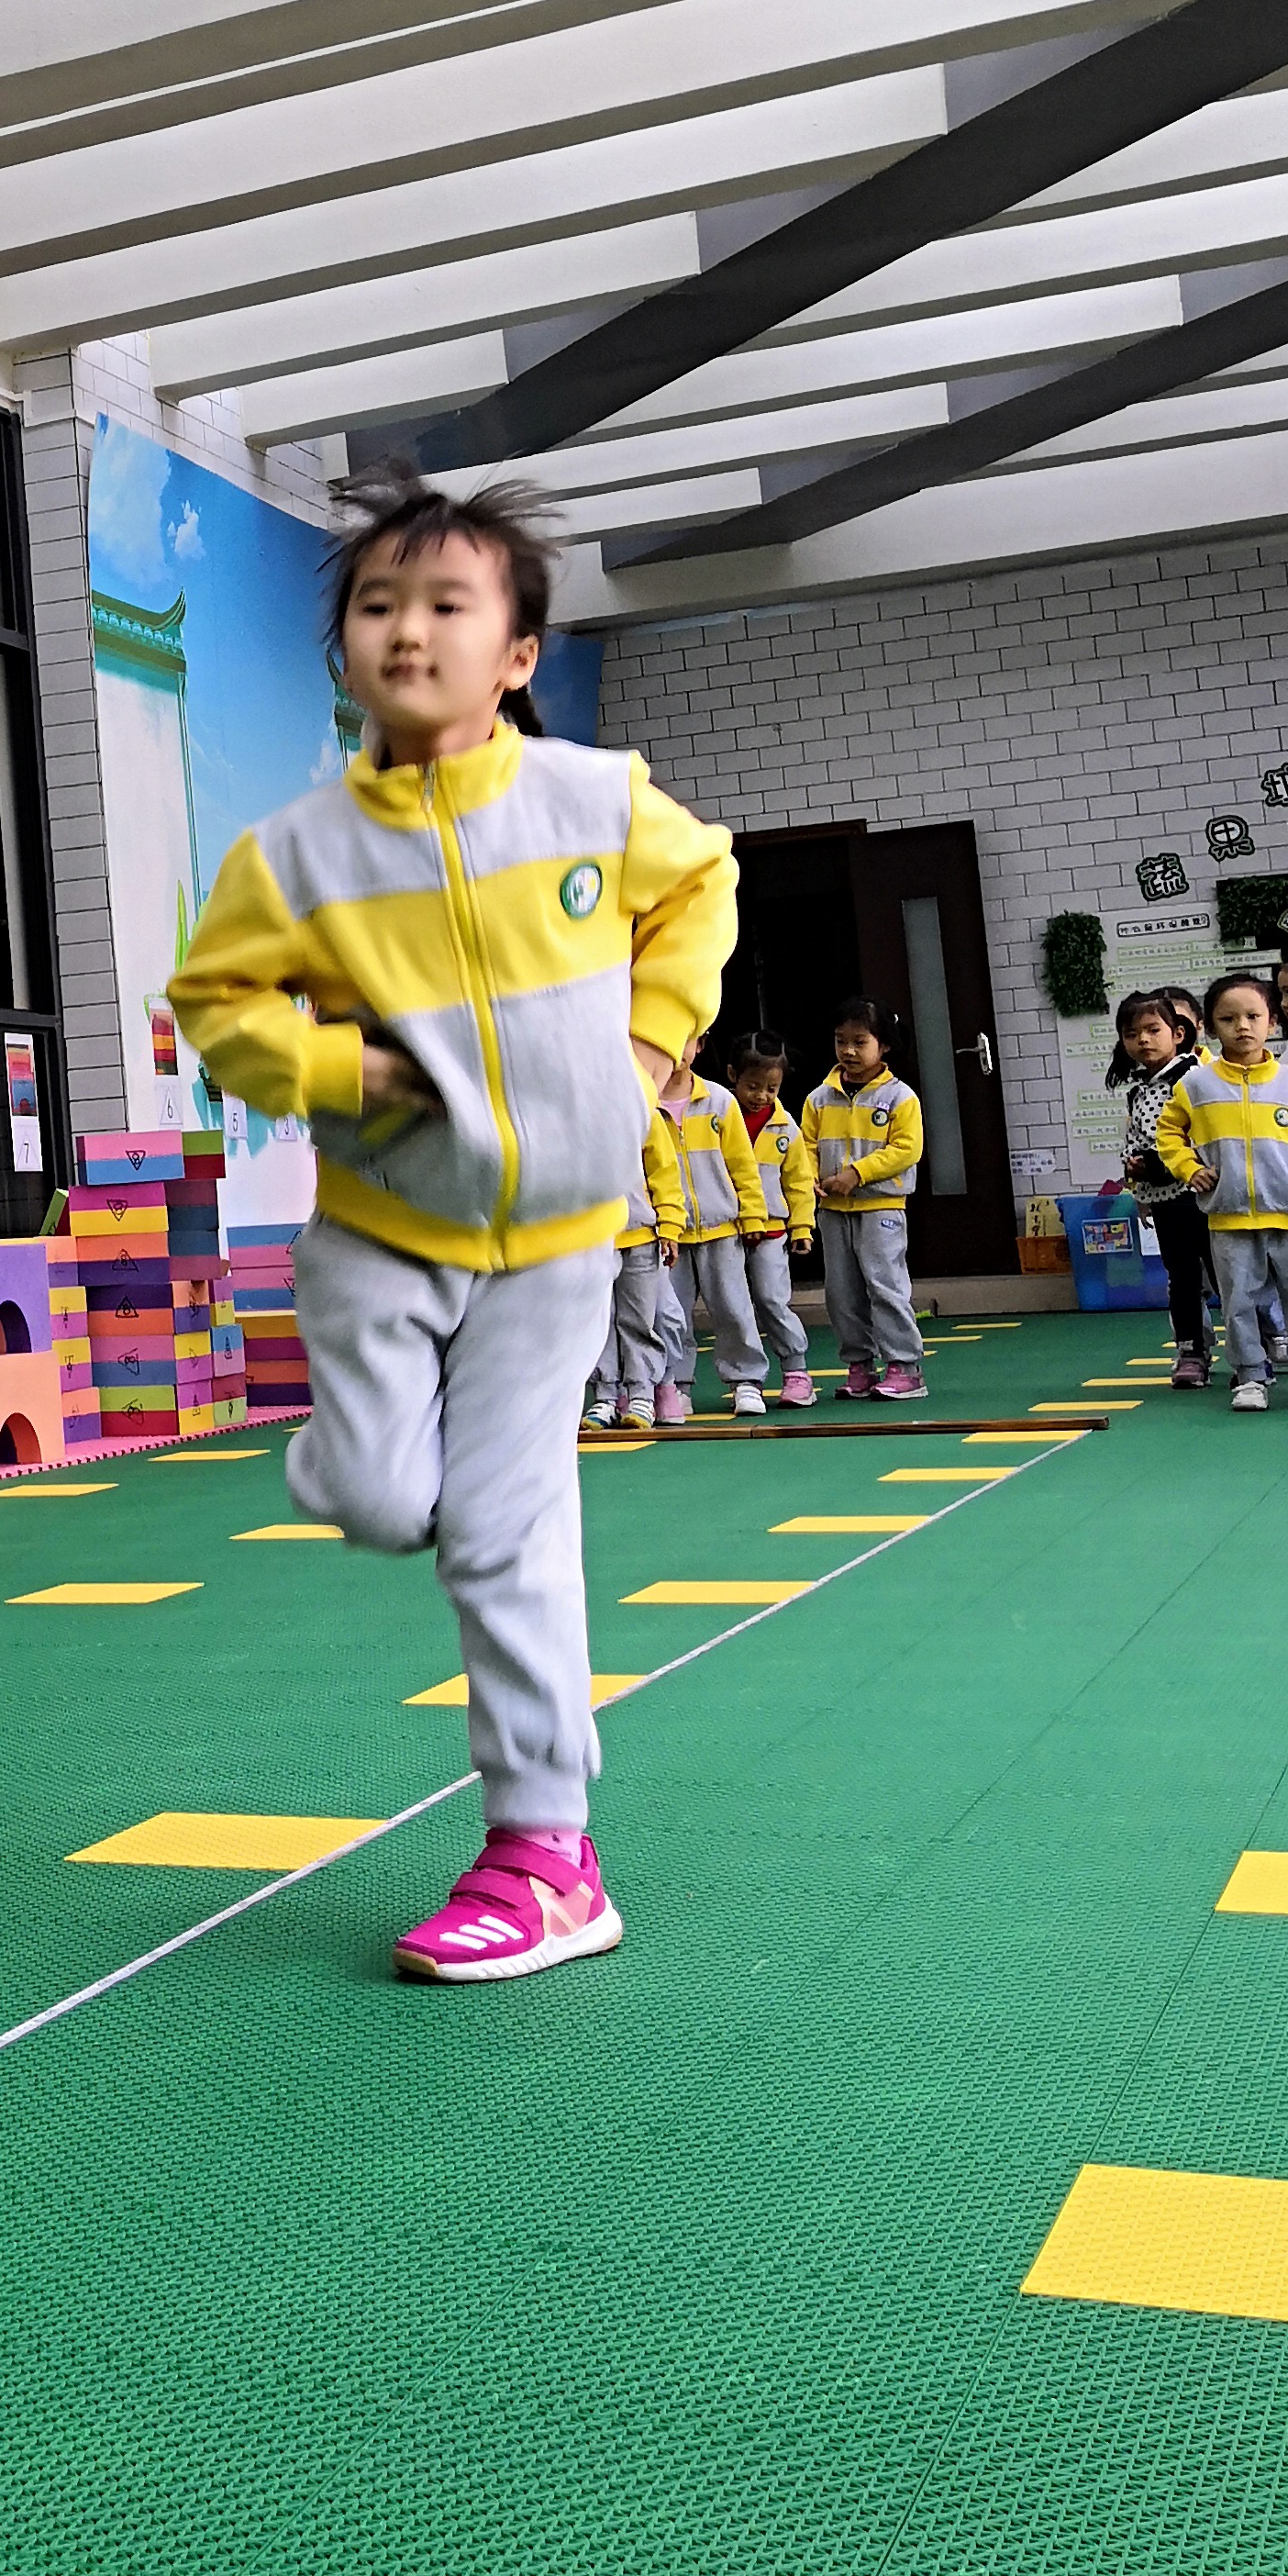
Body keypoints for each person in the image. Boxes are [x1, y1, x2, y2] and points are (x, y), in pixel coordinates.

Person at [171, 461, 736, 1986]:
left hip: (553, 1244)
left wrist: (645, 1051)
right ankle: (360, 1465)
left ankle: (545, 1854)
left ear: (518, 653)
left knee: (503, 1529)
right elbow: (215, 1001)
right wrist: (328, 1068)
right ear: (343, 652)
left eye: (446, 604)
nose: (407, 629)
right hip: (378, 1233)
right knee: (372, 1495)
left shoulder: (593, 801)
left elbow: (704, 886)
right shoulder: (294, 854)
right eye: (377, 605)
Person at [1154, 970, 1288, 1408]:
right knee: (1238, 1301)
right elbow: (1168, 1131)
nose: (1242, 1026)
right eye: (1228, 1018)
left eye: (1253, 1016)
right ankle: (1251, 1377)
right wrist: (1189, 1169)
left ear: (1271, 1022)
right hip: (1229, 1217)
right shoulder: (1197, 1085)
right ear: (1209, 1026)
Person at [803, 1002, 926, 1400]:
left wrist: (857, 1174)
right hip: (833, 1211)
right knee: (841, 1294)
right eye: (841, 1041)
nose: (848, 1051)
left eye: (860, 1042)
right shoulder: (819, 1098)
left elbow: (907, 1149)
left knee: (885, 1286)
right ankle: (859, 1365)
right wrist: (809, 1180)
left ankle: (905, 1367)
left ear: (883, 1045)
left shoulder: (900, 1097)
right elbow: (806, 1146)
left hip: (881, 1207)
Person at [1108, 986, 1213, 1388]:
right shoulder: (1139, 1090)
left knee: (1227, 1276)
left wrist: (1158, 1163)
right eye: (1132, 1034)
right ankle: (1191, 1351)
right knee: (1181, 1277)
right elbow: (1135, 1140)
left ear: (1178, 1034)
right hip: (1165, 1200)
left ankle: (1252, 1353)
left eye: (1153, 1030)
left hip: (1204, 1194)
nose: (1144, 1040)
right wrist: (1137, 1182)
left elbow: (1203, 1136)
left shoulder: (1196, 1078)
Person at [662, 1032, 772, 1416]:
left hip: (721, 1228)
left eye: (684, 1038)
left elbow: (743, 1164)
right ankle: (675, 1386)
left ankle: (746, 1381)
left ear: (701, 1044)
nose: (674, 1048)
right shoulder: (642, 1102)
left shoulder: (719, 1100)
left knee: (733, 1308)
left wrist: (752, 1214)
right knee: (670, 1315)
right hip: (668, 1234)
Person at [723, 1030, 819, 1407]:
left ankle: (796, 1371)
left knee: (772, 1299)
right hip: (726, 1229)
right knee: (732, 1305)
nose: (762, 1096)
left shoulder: (785, 1127)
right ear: (732, 1075)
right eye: (753, 1086)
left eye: (772, 1088)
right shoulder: (718, 1118)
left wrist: (802, 1226)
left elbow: (799, 1181)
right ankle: (745, 1381)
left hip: (772, 1229)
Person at [596, 1091, 686, 1433]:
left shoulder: (643, 1108)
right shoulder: (575, 1105)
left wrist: (670, 1225)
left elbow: (665, 1173)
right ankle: (605, 1395)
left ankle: (641, 1394)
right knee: (600, 1322)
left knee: (639, 1321)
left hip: (640, 1234)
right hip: (593, 1239)